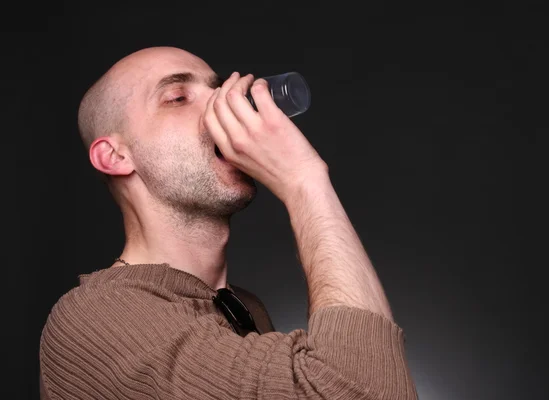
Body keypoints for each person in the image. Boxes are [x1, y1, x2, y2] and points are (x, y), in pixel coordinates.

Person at [39, 46, 418, 399]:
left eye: (218, 89)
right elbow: (364, 389)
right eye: (178, 98)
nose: (226, 107)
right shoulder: (97, 317)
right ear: (115, 156)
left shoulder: (244, 307)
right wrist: (304, 181)